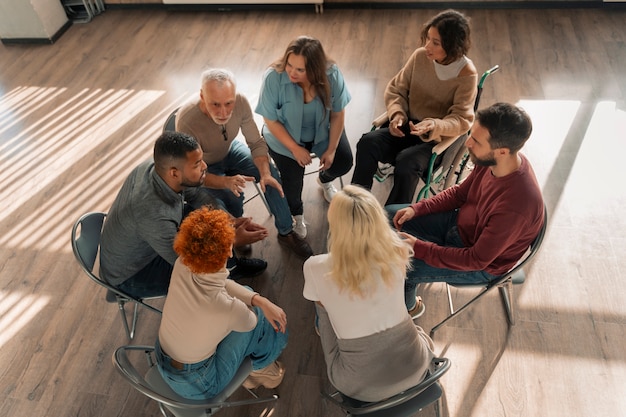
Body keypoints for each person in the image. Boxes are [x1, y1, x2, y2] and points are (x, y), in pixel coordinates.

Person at [388, 102, 544, 314]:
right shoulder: (491, 160)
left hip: (479, 264)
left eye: (476, 141)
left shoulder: (517, 207)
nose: (467, 143)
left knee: (402, 268)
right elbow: (461, 194)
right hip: (460, 225)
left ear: (502, 151)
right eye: (471, 135)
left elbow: (475, 259)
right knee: (389, 215)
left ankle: (410, 309)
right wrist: (418, 208)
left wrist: (420, 247)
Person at [303, 185, 435, 402]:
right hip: (416, 369)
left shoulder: (315, 266)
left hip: (360, 388)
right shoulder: (399, 248)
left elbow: (318, 301)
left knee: (322, 306)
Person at [99, 131, 269, 299]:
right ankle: (224, 289)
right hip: (134, 273)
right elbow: (187, 264)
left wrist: (227, 220)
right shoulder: (153, 214)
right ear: (174, 173)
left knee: (212, 220)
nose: (205, 166)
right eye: (197, 164)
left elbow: (197, 195)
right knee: (203, 280)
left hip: (150, 241)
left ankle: (231, 269)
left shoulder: (158, 168)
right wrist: (232, 240)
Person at [175, 69, 312, 259]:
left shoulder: (241, 102)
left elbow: (256, 143)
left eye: (228, 103)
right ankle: (237, 235)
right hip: (203, 165)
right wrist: (226, 182)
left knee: (270, 173)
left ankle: (286, 231)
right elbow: (193, 174)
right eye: (215, 104)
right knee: (230, 196)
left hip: (229, 151)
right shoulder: (187, 121)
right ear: (201, 96)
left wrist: (264, 173)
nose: (223, 112)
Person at [156, 207, 288, 399]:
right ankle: (265, 370)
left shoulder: (183, 262)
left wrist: (259, 299)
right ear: (228, 251)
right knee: (267, 321)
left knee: (251, 298)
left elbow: (221, 282)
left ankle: (259, 366)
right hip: (200, 384)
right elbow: (249, 322)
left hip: (164, 357)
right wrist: (263, 305)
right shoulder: (224, 308)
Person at [351, 9, 478, 205]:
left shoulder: (467, 74)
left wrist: (434, 125)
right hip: (407, 126)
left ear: (453, 46)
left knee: (406, 163)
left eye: (435, 42)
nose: (427, 46)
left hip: (435, 140)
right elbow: (396, 89)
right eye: (428, 38)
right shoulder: (420, 57)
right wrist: (397, 115)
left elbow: (462, 119)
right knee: (367, 142)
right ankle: (357, 205)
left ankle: (392, 222)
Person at [255, 35, 353, 237]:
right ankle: (296, 215)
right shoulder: (273, 77)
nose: (291, 72)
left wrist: (332, 149)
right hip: (284, 140)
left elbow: (337, 114)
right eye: (290, 65)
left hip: (323, 132)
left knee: (344, 162)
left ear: (315, 69)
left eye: (300, 69)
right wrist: (294, 148)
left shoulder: (332, 75)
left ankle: (324, 180)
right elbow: (270, 120)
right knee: (292, 186)